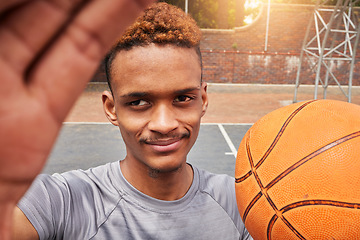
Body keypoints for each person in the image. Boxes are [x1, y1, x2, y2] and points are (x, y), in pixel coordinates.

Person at [7, 2, 252, 240]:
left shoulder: (243, 202)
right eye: (138, 102)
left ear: (203, 99)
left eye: (182, 98)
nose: (164, 124)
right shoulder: (63, 202)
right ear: (111, 108)